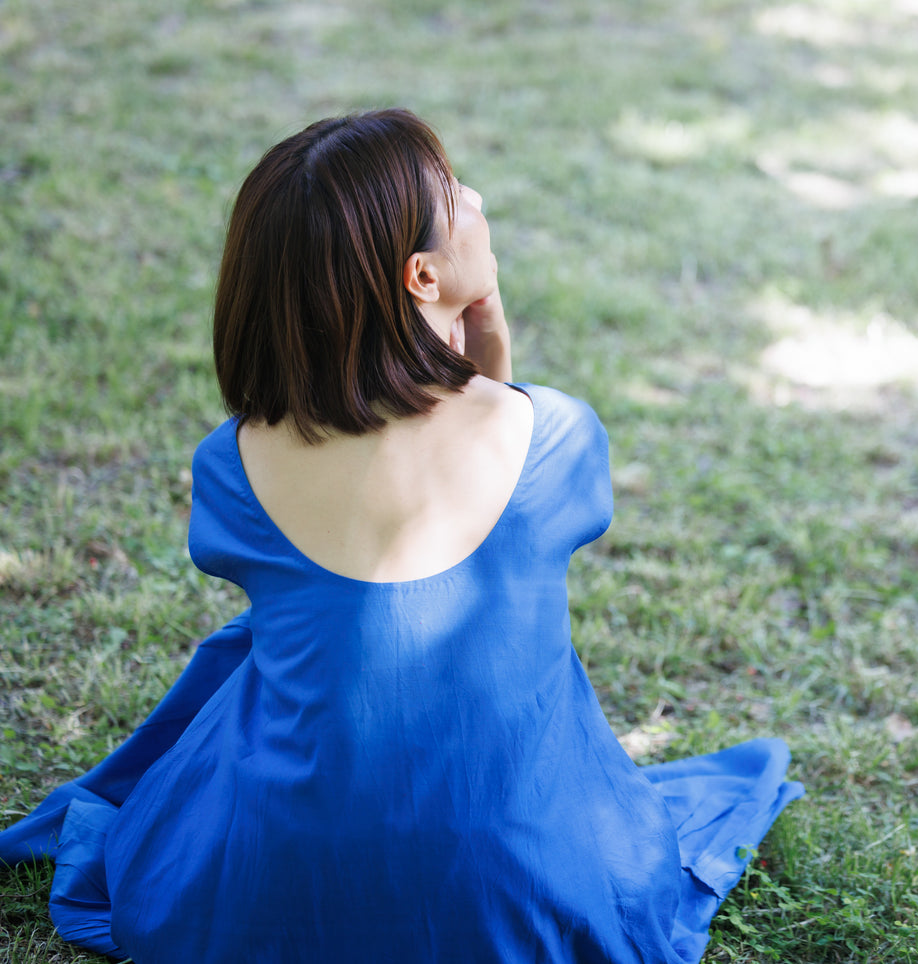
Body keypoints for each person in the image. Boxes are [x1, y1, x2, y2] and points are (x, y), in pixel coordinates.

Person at [0, 108, 803, 963]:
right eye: (454, 192)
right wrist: (490, 347)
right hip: (520, 888)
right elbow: (504, 477)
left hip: (272, 888)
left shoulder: (231, 462)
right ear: (422, 277)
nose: (476, 196)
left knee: (260, 654)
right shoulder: (555, 435)